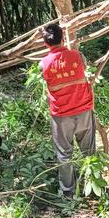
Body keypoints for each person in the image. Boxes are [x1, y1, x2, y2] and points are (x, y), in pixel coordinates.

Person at [39, 23, 96, 197]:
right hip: (84, 111)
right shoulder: (78, 56)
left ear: (45, 43)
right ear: (62, 38)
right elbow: (82, 69)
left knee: (64, 155)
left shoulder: (43, 64)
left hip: (61, 116)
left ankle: (68, 193)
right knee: (89, 152)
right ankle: (93, 188)